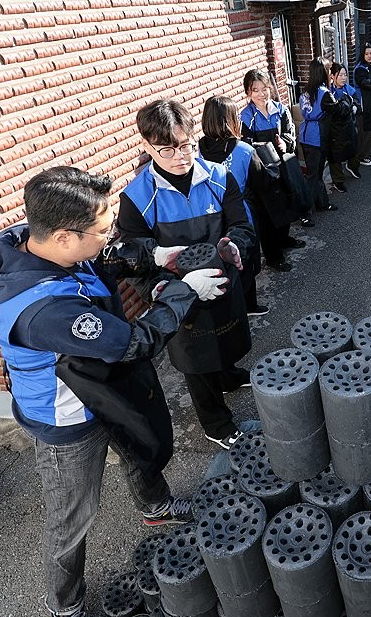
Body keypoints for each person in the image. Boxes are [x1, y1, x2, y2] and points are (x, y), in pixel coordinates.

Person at [0, 166, 226, 617]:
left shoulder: (38, 244)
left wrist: (157, 254)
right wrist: (182, 292)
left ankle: (155, 507)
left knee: (140, 448)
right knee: (73, 514)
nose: (109, 233)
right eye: (102, 227)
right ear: (66, 237)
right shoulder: (46, 310)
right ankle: (65, 604)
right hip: (67, 417)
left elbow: (106, 257)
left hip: (102, 386)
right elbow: (131, 342)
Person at [117, 99, 255, 448]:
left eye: (186, 145)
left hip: (223, 280)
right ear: (147, 146)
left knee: (228, 338)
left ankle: (228, 374)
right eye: (168, 150)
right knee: (197, 360)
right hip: (181, 296)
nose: (181, 156)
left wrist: (234, 246)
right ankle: (216, 423)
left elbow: (241, 224)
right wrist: (158, 288)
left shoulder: (219, 178)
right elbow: (136, 260)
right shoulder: (137, 199)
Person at [200, 95, 271, 313]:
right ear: (231, 120)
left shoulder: (197, 150)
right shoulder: (243, 150)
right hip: (241, 215)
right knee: (245, 261)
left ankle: (228, 306)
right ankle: (248, 306)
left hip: (209, 217)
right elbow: (262, 182)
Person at [240, 69, 314, 232]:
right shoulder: (246, 116)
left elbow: (291, 133)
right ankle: (281, 238)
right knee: (275, 201)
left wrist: (285, 142)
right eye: (255, 90)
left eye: (264, 88)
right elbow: (246, 144)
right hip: (265, 164)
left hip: (285, 158)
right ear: (248, 92)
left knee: (294, 189)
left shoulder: (281, 109)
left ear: (270, 88)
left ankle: (302, 215)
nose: (261, 94)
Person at [298, 58, 345, 212]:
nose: (331, 73)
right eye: (329, 70)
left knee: (315, 174)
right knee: (313, 175)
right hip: (317, 137)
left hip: (305, 135)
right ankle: (305, 212)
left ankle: (322, 203)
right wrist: (347, 103)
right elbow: (339, 110)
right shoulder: (324, 93)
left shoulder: (305, 91)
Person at [328, 63, 362, 189]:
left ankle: (353, 167)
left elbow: (358, 103)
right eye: (340, 75)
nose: (343, 78)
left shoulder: (349, 89)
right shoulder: (328, 91)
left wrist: (355, 107)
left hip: (349, 125)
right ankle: (338, 180)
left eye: (345, 75)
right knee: (335, 155)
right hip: (334, 129)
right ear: (332, 76)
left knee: (352, 149)